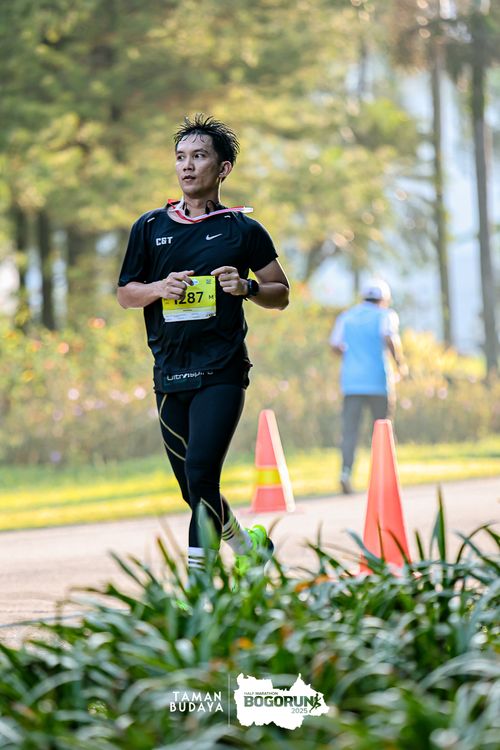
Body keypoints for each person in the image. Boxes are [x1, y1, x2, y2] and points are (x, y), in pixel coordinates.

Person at [117, 115, 290, 578]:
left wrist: (247, 287)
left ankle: (201, 589)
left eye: (199, 156)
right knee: (193, 489)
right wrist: (158, 288)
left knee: (202, 474)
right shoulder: (149, 226)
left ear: (223, 168)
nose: (187, 166)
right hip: (170, 372)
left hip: (222, 370)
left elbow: (281, 293)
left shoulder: (242, 230)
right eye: (180, 157)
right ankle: (248, 546)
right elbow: (126, 294)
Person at [329, 278, 407, 495]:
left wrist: (353, 355)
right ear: (384, 299)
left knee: (350, 431)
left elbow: (335, 345)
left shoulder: (347, 316)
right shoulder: (386, 315)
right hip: (378, 382)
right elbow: (390, 338)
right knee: (382, 430)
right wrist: (400, 364)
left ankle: (345, 472)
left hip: (351, 383)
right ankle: (384, 476)